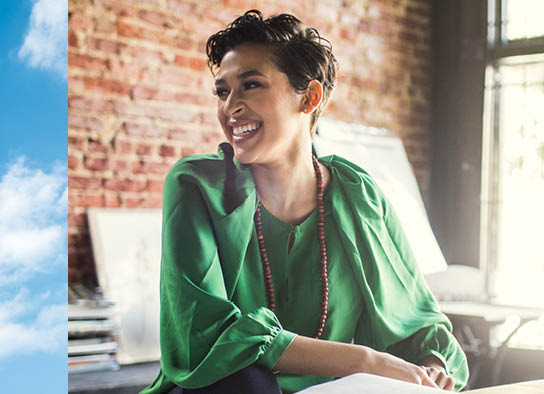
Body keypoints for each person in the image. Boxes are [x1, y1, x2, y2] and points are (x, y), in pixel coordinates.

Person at [142, 9, 468, 394]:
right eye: (222, 91)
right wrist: (365, 360)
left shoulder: (358, 195)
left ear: (309, 97)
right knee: (245, 380)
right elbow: (206, 334)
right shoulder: (196, 185)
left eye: (251, 85)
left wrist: (431, 366)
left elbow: (416, 319)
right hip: (226, 390)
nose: (230, 107)